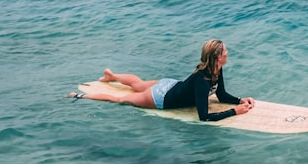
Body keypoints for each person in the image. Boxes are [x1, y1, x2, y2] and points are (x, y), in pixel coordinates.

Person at [75, 39, 255, 121]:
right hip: (160, 97)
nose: (227, 53)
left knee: (138, 84)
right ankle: (80, 96)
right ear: (217, 57)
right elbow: (204, 117)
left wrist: (239, 100)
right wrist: (234, 112)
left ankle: (112, 77)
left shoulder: (216, 69)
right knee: (121, 99)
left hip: (171, 84)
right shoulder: (202, 79)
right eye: (225, 52)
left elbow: (221, 95)